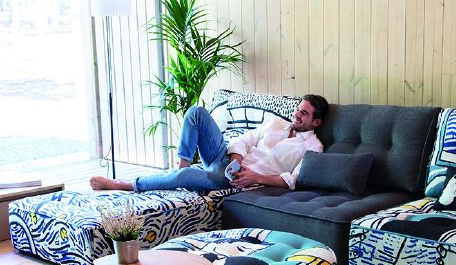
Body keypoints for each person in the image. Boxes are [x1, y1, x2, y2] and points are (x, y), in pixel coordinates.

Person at [89, 93, 329, 194]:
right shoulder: (277, 123)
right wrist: (236, 159)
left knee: (185, 178)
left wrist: (254, 177)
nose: (297, 115)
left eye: (304, 113)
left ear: (316, 122)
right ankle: (182, 166)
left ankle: (125, 185)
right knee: (196, 112)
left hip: (237, 180)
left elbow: (293, 180)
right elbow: (245, 139)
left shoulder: (313, 147)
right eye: (298, 109)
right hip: (227, 160)